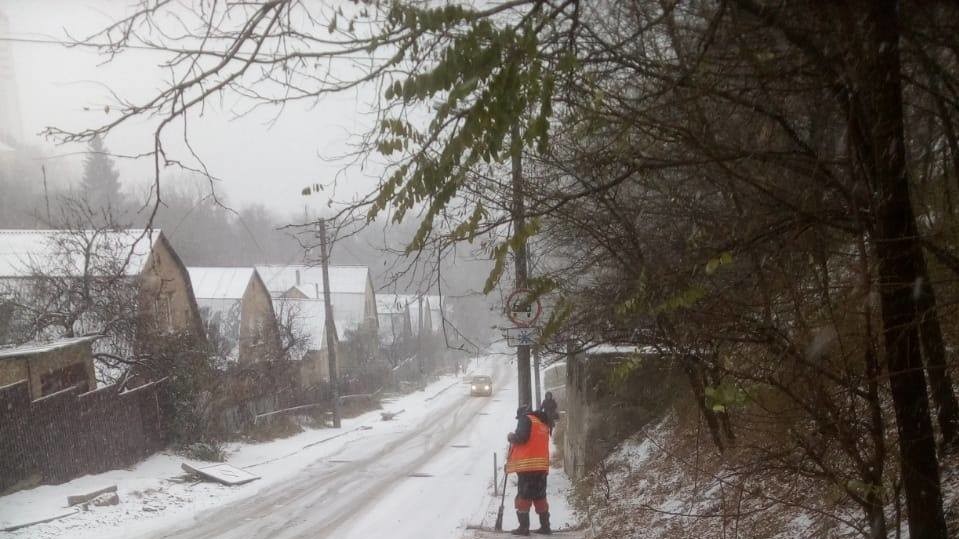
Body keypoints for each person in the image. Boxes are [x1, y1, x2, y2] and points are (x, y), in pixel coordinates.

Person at [506, 405, 552, 535]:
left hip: (528, 467)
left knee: (524, 497)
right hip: (541, 467)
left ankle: (524, 527)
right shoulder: (542, 422)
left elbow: (521, 438)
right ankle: (545, 526)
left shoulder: (525, 419)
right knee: (539, 496)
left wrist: (511, 437)